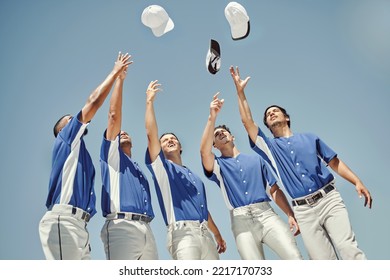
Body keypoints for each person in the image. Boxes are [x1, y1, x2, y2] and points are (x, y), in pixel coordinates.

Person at [229, 65, 373, 260]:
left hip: (329, 200)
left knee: (348, 248)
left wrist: (357, 181)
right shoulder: (269, 149)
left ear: (286, 118)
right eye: (268, 115)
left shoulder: (310, 138)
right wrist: (240, 92)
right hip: (303, 211)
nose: (271, 113)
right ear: (267, 126)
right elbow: (247, 122)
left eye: (275, 111)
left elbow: (334, 162)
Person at [39, 52, 132, 260]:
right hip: (64, 219)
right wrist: (115, 71)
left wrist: (120, 81)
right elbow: (94, 102)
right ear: (62, 130)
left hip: (80, 225)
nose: (74, 119)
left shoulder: (81, 156)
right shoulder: (65, 139)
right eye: (69, 120)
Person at [200, 92, 303, 260]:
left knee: (294, 257)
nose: (220, 133)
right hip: (240, 221)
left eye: (223, 131)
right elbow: (204, 152)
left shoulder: (256, 160)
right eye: (216, 135)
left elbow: (274, 189)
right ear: (215, 146)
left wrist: (290, 214)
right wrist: (212, 118)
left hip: (267, 215)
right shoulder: (217, 165)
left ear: (232, 137)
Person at [144, 80, 226, 260]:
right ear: (160, 148)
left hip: (206, 235)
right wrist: (149, 102)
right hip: (182, 234)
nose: (170, 140)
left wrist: (217, 234)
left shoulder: (195, 176)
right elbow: (151, 136)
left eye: (173, 138)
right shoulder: (162, 170)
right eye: (165, 140)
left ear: (180, 146)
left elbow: (203, 209)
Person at [99, 53, 158, 260]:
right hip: (121, 226)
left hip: (146, 229)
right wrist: (119, 80)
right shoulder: (111, 156)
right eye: (119, 133)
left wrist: (149, 101)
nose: (122, 132)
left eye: (126, 132)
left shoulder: (137, 168)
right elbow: (113, 116)